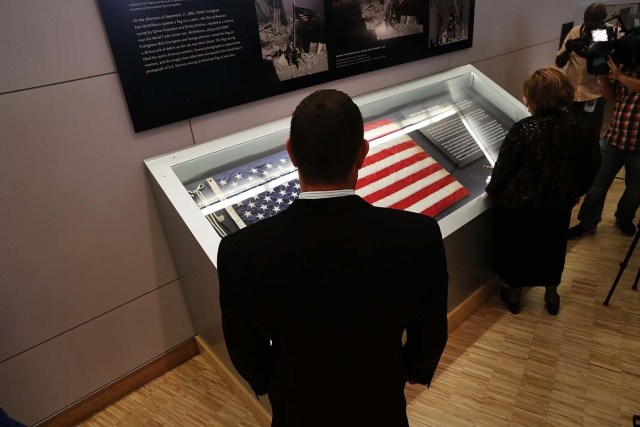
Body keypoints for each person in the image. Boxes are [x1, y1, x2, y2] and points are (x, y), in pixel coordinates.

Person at [217, 89, 449, 427]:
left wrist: (270, 380)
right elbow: (429, 335)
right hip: (380, 404)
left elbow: (245, 352)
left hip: (296, 408)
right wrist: (412, 371)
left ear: (291, 153)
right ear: (363, 154)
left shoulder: (240, 252)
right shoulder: (419, 237)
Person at [486, 68, 601, 315]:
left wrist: (492, 191)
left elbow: (504, 168)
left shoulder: (525, 129)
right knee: (553, 245)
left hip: (521, 204)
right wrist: (577, 191)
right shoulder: (583, 127)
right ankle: (551, 295)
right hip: (559, 202)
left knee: (520, 248)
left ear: (537, 96)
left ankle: (515, 295)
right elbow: (593, 165)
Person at [568, 56, 640, 239]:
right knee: (596, 187)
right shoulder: (628, 66)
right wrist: (602, 77)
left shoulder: (623, 73)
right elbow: (610, 98)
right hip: (613, 138)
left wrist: (618, 76)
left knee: (635, 190)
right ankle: (587, 224)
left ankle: (624, 218)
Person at [555, 2, 610, 136]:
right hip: (571, 94)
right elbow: (559, 63)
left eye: (594, 20)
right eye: (587, 20)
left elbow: (597, 58)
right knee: (567, 132)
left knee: (589, 133)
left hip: (593, 94)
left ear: (604, 17)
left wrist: (592, 47)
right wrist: (568, 49)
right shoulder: (575, 31)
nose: (590, 24)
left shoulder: (608, 32)